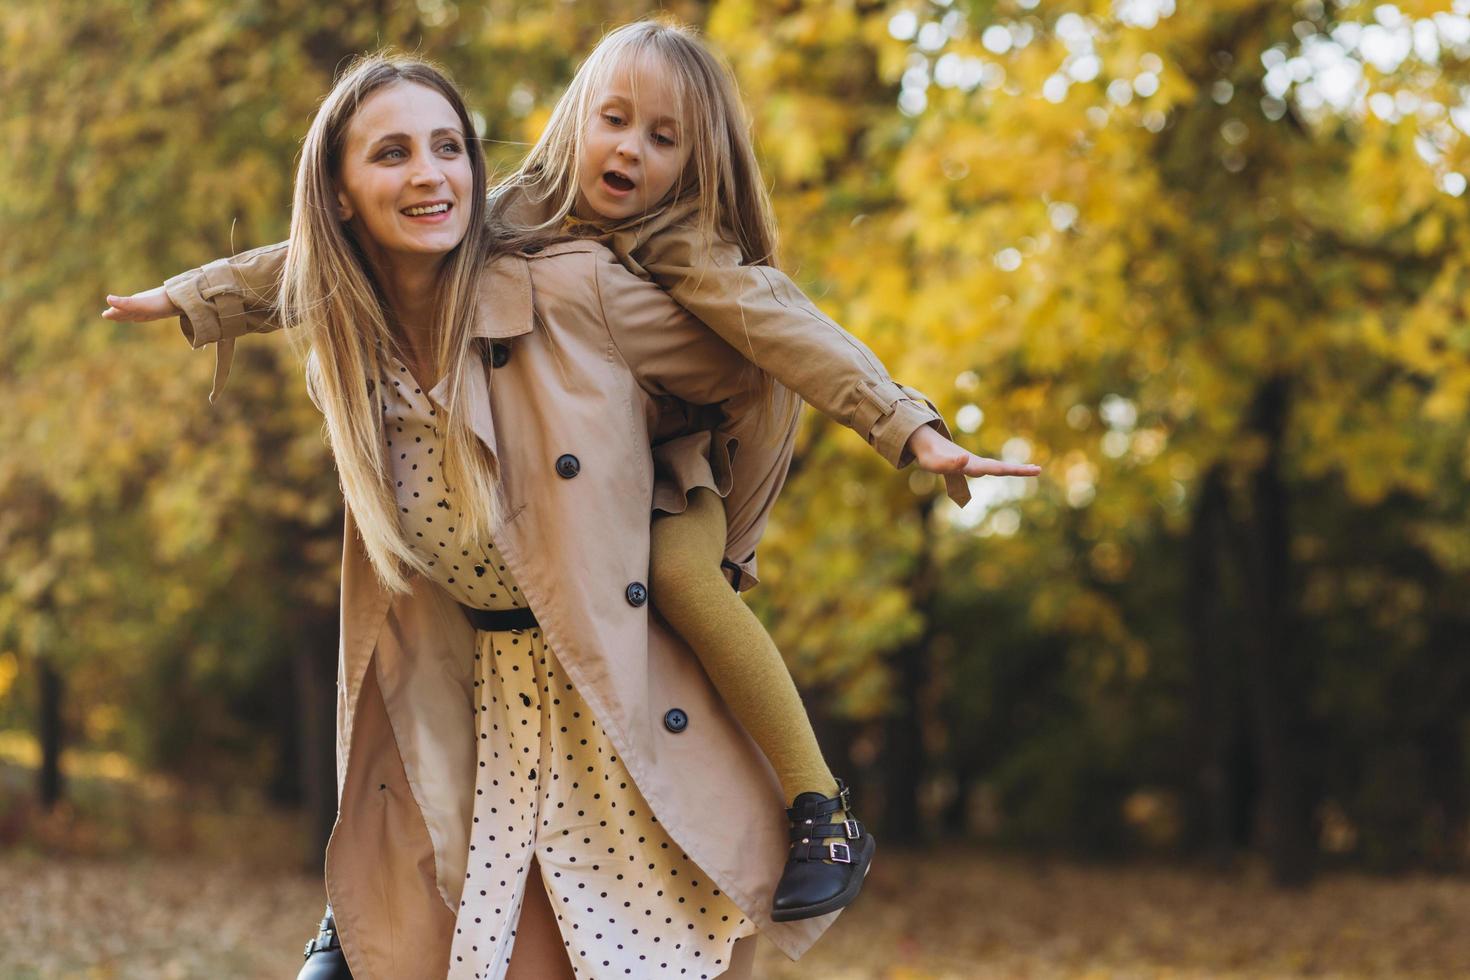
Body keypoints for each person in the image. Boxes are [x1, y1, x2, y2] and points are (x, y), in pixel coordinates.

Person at [105, 19, 1041, 946]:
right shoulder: (504, 214)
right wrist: (196, 297)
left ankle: (819, 804)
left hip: (672, 474)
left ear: (695, 162)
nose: (630, 149)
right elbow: (324, 260)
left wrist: (905, 431)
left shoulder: (686, 250)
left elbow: (786, 347)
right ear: (575, 118)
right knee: (423, 662)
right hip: (557, 511)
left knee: (684, 582)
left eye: (663, 138)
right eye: (615, 120)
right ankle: (363, 913)